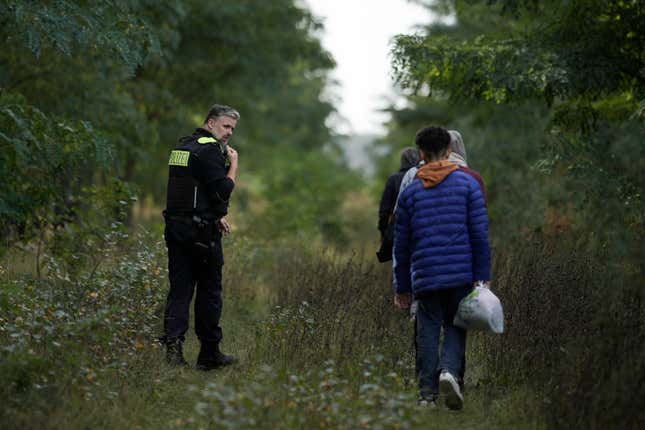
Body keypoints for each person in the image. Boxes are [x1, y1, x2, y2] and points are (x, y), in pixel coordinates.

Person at [393, 126, 490, 410]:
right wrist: (482, 277)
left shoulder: (410, 194)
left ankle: (426, 395)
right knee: (456, 325)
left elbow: (402, 246)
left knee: (428, 330)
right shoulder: (468, 185)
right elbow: (479, 234)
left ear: (421, 155)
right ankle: (448, 371)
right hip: (461, 273)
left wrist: (402, 287)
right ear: (450, 151)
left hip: (425, 274)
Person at [161, 104, 240, 371]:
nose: (229, 132)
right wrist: (234, 164)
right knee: (209, 293)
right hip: (202, 235)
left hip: (176, 229)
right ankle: (209, 354)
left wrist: (214, 214)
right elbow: (222, 191)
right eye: (225, 126)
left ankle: (172, 353)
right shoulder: (210, 150)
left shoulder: (182, 148)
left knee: (179, 291)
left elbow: (189, 191)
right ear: (210, 123)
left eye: (232, 128)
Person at [376, 147, 420, 262]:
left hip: (398, 229)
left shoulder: (393, 179)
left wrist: (383, 232)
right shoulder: (423, 176)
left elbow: (384, 210)